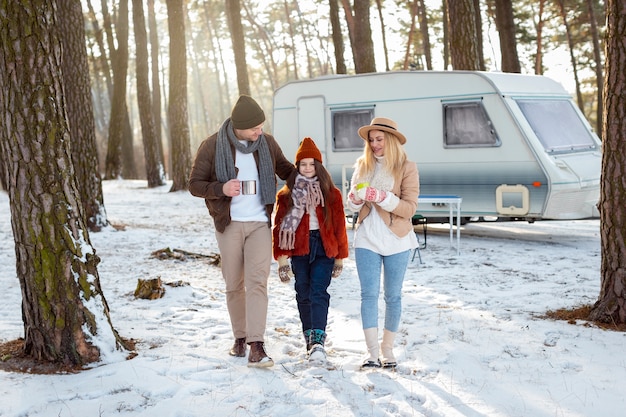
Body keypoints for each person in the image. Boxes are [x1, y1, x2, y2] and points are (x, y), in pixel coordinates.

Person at [189, 95, 296, 368]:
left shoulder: (267, 143)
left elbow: (285, 169)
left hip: (260, 222)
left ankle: (257, 345)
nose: (259, 132)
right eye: (254, 128)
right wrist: (221, 189)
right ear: (239, 126)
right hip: (229, 224)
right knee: (234, 284)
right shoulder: (213, 145)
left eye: (261, 126)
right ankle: (240, 337)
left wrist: (311, 177)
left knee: (257, 282)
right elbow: (194, 184)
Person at [346, 117, 419, 369]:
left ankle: (388, 350)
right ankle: (372, 352)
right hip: (367, 237)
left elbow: (409, 209)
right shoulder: (362, 165)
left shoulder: (407, 167)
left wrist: (383, 197)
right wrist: (355, 198)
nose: (375, 145)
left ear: (391, 141)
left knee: (393, 296)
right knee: (368, 294)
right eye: (371, 140)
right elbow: (353, 204)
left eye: (380, 139)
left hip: (397, 239)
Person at [273, 137, 349, 362]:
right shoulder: (286, 195)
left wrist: (340, 258)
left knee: (318, 290)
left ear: (319, 165)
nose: (307, 168)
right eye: (303, 164)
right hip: (298, 247)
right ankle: (308, 336)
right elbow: (279, 228)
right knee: (303, 292)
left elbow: (339, 225)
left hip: (325, 248)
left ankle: (318, 341)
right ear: (297, 167)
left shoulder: (331, 193)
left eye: (311, 164)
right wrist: (282, 261)